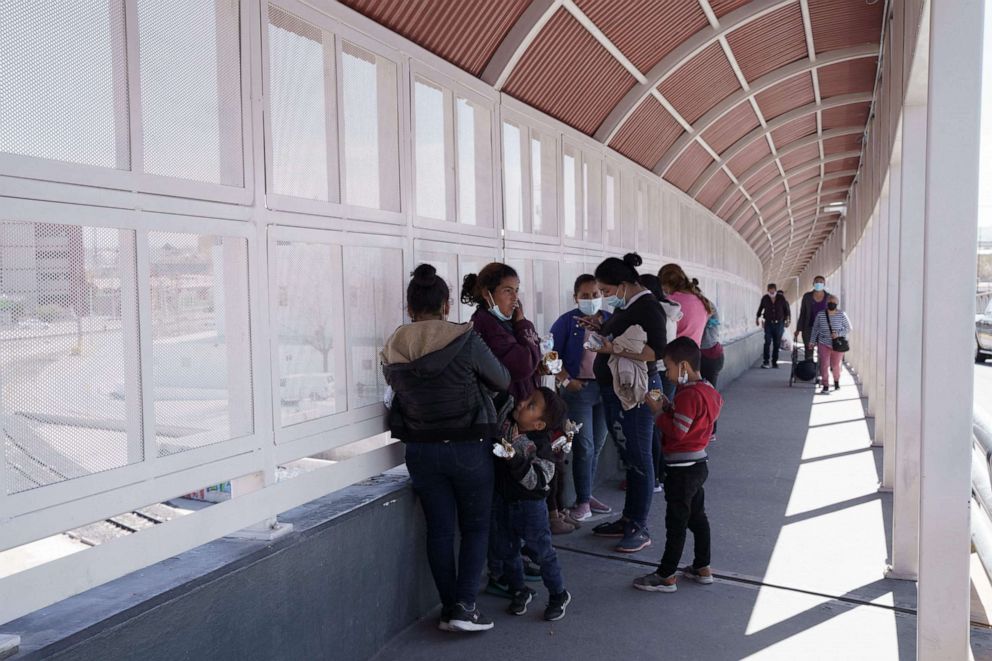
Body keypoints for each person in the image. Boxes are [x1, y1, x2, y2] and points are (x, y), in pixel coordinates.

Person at [382, 264, 511, 632]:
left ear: (410, 308)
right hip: (469, 446)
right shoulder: (464, 338)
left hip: (421, 452)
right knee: (474, 527)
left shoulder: (393, 345)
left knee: (438, 530)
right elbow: (501, 379)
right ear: (446, 305)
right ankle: (465, 606)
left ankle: (448, 607)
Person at [585, 253, 667, 553]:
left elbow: (656, 351)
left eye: (606, 292)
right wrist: (601, 327)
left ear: (623, 285)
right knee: (630, 457)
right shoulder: (631, 305)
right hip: (619, 390)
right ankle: (629, 518)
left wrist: (612, 346)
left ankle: (639, 526)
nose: (605, 298)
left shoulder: (648, 306)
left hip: (638, 391)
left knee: (639, 457)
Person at [634, 337, 723, 593]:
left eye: (669, 368)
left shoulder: (689, 395)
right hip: (698, 463)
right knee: (697, 517)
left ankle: (666, 575)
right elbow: (697, 421)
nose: (668, 374)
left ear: (683, 366)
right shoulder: (708, 390)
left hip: (681, 469)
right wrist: (670, 407)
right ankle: (702, 566)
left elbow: (679, 431)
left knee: (676, 522)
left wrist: (657, 412)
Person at [491, 387, 573, 621]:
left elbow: (536, 479)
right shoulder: (509, 424)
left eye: (531, 405)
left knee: (542, 551)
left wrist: (513, 459)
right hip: (504, 500)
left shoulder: (540, 447)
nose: (523, 403)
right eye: (527, 399)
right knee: (507, 549)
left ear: (539, 425)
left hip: (530, 507)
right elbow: (501, 396)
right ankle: (519, 589)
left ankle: (558, 594)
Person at [550, 275, 613, 521]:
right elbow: (549, 354)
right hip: (578, 392)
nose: (591, 300)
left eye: (596, 295)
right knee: (584, 446)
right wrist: (566, 381)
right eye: (585, 296)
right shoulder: (566, 323)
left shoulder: (610, 321)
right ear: (575, 297)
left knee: (596, 445)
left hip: (605, 390)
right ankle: (583, 502)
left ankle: (586, 495)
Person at [809, 294, 852, 395]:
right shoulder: (820, 314)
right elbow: (815, 328)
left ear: (837, 304)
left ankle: (836, 381)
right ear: (826, 303)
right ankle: (825, 385)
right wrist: (812, 341)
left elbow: (848, 327)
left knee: (835, 365)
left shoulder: (842, 314)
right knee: (824, 364)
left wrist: (837, 334)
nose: (831, 304)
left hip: (837, 344)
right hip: (823, 343)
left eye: (833, 303)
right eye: (829, 303)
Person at [659, 264, 708, 345]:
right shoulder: (700, 299)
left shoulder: (671, 303)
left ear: (666, 285)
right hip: (694, 354)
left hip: (675, 354)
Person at [699, 296, 724, 441]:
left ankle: (710, 430)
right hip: (713, 354)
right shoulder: (707, 305)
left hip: (707, 355)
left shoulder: (704, 307)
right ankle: (710, 430)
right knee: (709, 393)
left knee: (706, 395)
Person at [795, 275, 831, 363]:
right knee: (808, 351)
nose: (819, 283)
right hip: (809, 329)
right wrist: (798, 329)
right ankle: (809, 371)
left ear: (824, 284)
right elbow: (803, 313)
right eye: (817, 282)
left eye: (821, 282)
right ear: (813, 284)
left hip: (824, 329)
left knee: (822, 352)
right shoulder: (807, 297)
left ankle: (819, 372)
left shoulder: (829, 297)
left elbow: (833, 314)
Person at [756, 283, 791, 368]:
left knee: (777, 343)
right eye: (770, 290)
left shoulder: (781, 298)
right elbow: (760, 308)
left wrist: (787, 320)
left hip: (779, 324)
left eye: (773, 290)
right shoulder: (765, 298)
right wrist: (757, 318)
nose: (771, 292)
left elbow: (786, 310)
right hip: (768, 323)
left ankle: (774, 362)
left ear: (775, 290)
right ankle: (766, 362)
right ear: (767, 290)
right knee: (767, 342)